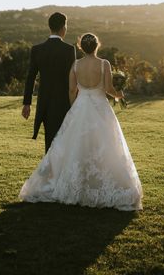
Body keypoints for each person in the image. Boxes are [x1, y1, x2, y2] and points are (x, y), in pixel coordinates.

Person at [20, 33, 143, 211]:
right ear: (97, 45)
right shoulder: (104, 64)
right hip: (101, 109)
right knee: (106, 145)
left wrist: (74, 107)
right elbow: (108, 89)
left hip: (80, 107)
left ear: (80, 47)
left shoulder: (76, 65)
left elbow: (72, 90)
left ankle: (75, 186)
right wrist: (120, 94)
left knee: (76, 146)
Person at [22, 12, 77, 153]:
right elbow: (73, 78)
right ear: (63, 28)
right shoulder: (69, 50)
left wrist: (27, 103)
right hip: (64, 102)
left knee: (50, 141)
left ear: (50, 27)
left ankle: (50, 171)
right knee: (65, 141)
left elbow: (30, 77)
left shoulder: (37, 49)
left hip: (45, 103)